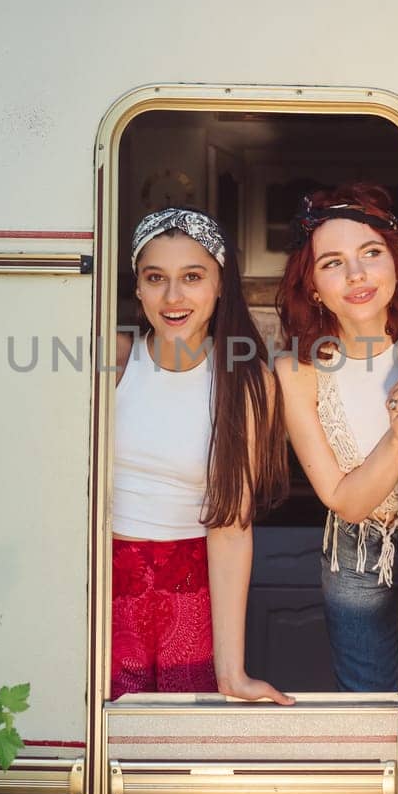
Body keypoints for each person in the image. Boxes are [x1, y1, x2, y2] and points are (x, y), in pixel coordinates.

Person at [111, 206, 294, 704]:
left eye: (192, 276)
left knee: (172, 747)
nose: (173, 297)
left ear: (219, 284)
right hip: (101, 577)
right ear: (138, 288)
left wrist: (232, 672)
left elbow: (231, 527)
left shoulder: (248, 378)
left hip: (191, 585)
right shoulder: (113, 358)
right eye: (156, 278)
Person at [275, 185, 398, 692]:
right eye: (333, 263)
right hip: (355, 553)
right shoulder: (296, 369)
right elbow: (346, 501)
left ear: (396, 264)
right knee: (369, 704)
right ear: (313, 286)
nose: (358, 275)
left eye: (371, 254)